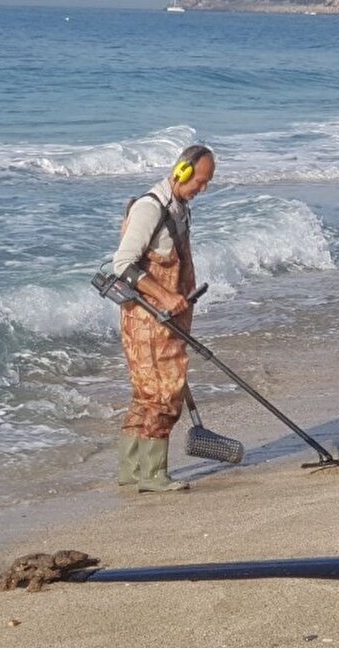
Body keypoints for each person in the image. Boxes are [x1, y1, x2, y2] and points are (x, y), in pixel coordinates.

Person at [110, 145, 215, 492]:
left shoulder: (178, 207)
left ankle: (131, 470)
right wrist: (167, 296)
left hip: (167, 322)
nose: (203, 189)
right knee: (163, 395)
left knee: (146, 395)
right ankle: (153, 475)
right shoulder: (149, 207)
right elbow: (122, 264)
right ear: (182, 171)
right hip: (149, 320)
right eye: (200, 181)